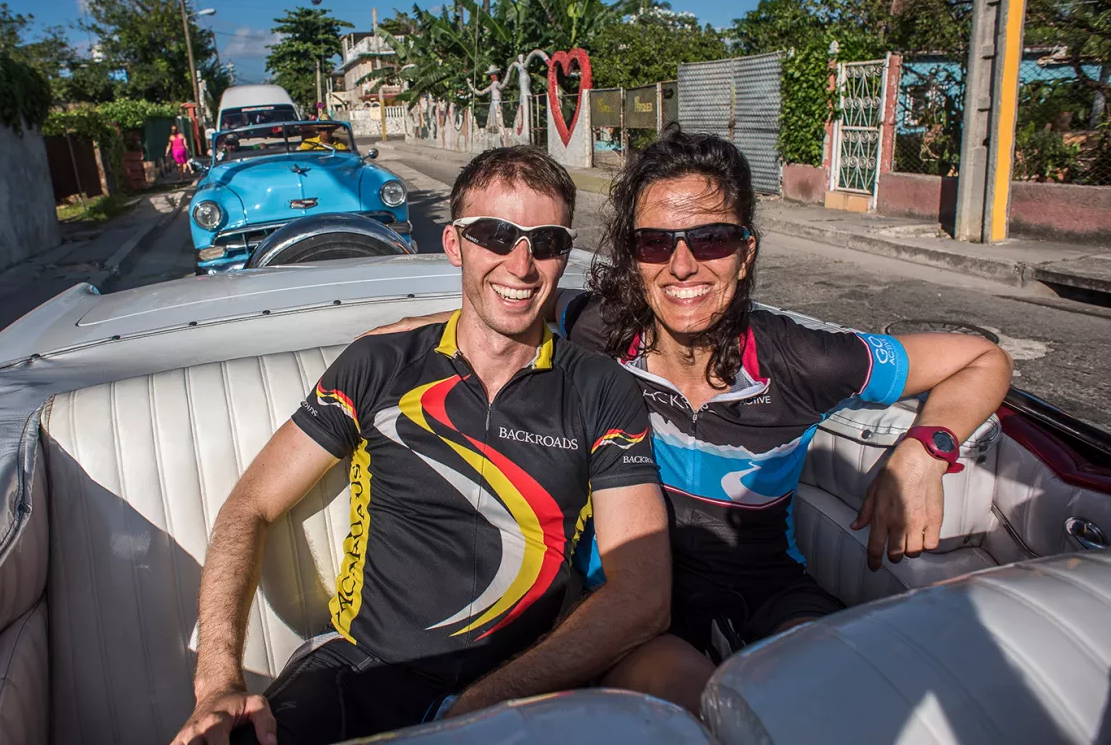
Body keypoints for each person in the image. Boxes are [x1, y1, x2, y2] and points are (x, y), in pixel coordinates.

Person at [367, 127, 1014, 715]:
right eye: (655, 242)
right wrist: (380, 353)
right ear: (632, 257)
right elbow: (490, 317)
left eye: (711, 237)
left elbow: (983, 359)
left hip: (768, 590)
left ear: (745, 251)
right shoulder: (597, 329)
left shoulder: (804, 359)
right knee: (679, 694)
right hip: (627, 603)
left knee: (843, 689)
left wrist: (923, 450)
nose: (682, 265)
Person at [171, 146, 670, 745]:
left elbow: (642, 592)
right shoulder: (381, 363)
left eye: (545, 241)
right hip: (362, 674)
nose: (521, 264)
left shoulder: (600, 388)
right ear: (454, 244)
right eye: (495, 234)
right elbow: (248, 507)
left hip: (523, 688)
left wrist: (479, 704)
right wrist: (218, 681)